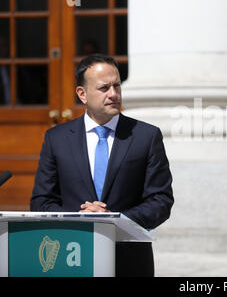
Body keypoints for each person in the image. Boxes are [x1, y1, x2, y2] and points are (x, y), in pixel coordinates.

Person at [30, 54, 174, 276]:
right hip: (70, 258)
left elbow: (161, 201)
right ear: (82, 94)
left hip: (129, 261)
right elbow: (41, 202)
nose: (114, 94)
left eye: (117, 85)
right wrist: (82, 217)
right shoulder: (56, 139)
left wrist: (113, 219)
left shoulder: (146, 136)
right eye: (104, 88)